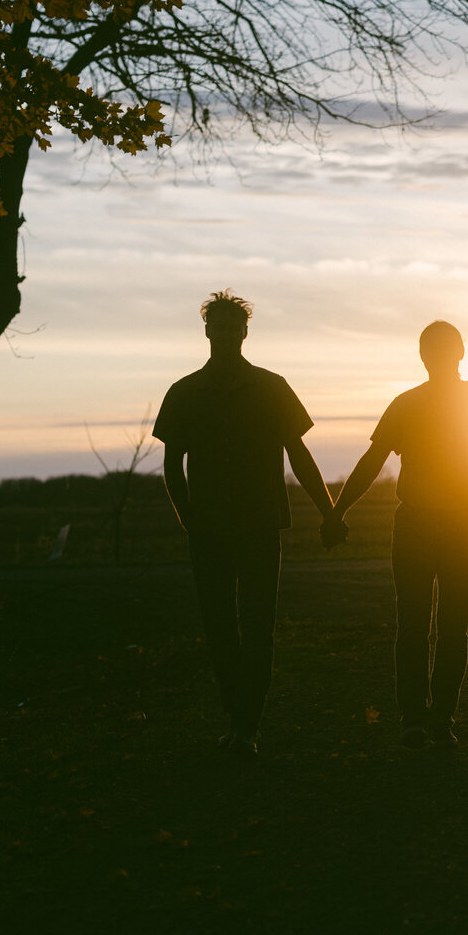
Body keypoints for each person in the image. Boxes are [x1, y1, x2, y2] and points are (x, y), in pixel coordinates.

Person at [322, 321, 468, 748]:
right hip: (450, 522)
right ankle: (436, 719)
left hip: (428, 523)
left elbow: (371, 461)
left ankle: (420, 720)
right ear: (459, 352)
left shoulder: (410, 404)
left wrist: (337, 512)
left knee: (417, 624)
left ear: (428, 356)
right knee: (449, 625)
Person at [154, 289, 335, 758]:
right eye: (221, 326)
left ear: (244, 332)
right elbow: (172, 465)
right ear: (209, 331)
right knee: (220, 629)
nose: (228, 334)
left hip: (260, 526)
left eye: (235, 326)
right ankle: (238, 717)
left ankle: (246, 725)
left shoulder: (272, 387)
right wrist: (188, 519)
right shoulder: (185, 392)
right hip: (209, 529)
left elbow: (300, 455)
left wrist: (330, 510)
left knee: (258, 628)